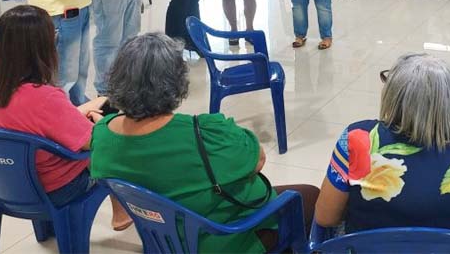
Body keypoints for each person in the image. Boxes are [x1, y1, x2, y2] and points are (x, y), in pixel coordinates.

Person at [89, 33, 320, 253]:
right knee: (309, 197)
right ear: (176, 81)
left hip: (168, 240)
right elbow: (258, 159)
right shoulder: (205, 132)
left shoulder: (103, 135)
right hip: (227, 238)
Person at [0, 5, 130, 229]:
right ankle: (122, 212)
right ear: (41, 48)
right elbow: (94, 142)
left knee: (101, 104)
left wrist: (76, 114)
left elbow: (21, 123)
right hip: (54, 188)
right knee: (115, 130)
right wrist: (103, 123)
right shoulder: (43, 97)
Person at [315, 53, 450, 234]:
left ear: (395, 96)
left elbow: (326, 217)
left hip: (369, 248)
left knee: (310, 197)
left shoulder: (357, 139)